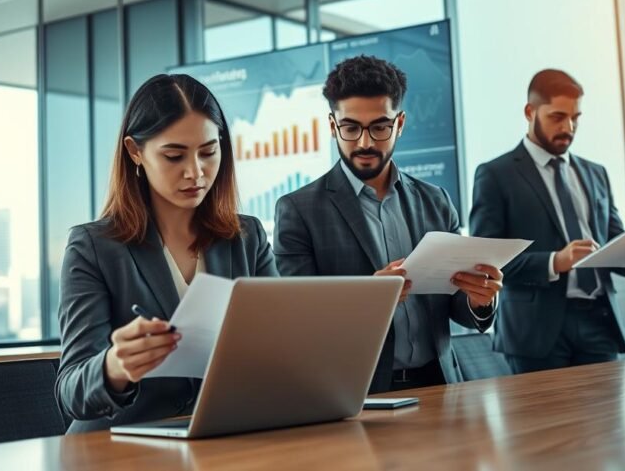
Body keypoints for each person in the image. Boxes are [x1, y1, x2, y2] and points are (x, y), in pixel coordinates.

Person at [55, 73, 277, 433]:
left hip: (220, 439)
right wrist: (115, 366)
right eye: (174, 156)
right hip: (117, 451)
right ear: (134, 151)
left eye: (208, 152)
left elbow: (280, 343)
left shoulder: (247, 236)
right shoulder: (93, 248)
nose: (196, 172)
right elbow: (71, 393)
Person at [274, 55, 503, 393]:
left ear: (400, 123)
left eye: (380, 126)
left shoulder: (435, 200)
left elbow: (456, 304)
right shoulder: (298, 210)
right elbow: (300, 320)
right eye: (351, 128)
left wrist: (479, 298)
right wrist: (370, 297)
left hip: (441, 386)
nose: (365, 142)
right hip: (359, 394)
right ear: (333, 125)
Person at [470, 69, 625, 374]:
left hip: (599, 323)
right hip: (534, 332)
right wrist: (554, 262)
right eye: (557, 117)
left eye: (576, 117)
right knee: (545, 422)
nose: (569, 127)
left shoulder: (596, 173)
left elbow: (612, 245)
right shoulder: (496, 175)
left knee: (606, 422)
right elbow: (486, 261)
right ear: (529, 112)